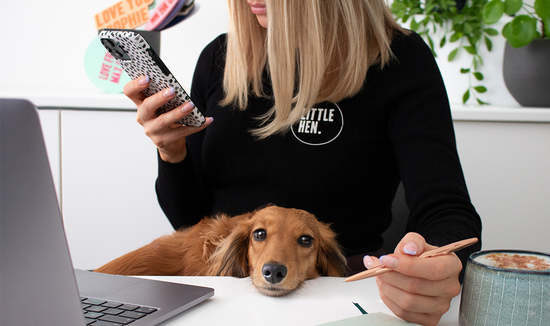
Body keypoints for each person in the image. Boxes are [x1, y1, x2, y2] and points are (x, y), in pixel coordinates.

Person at [124, 1, 482, 325]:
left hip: (335, 295)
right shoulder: (220, 57)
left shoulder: (399, 59)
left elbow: (448, 212)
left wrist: (437, 263)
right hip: (219, 289)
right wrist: (172, 155)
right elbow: (191, 222)